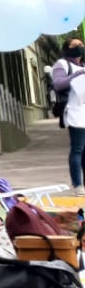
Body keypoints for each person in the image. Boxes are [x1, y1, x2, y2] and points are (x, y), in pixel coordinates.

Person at [51, 36, 85, 193]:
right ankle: (77, 185)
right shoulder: (62, 64)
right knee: (77, 148)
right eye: (75, 45)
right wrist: (76, 75)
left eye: (81, 44)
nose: (79, 47)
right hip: (74, 111)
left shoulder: (82, 65)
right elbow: (58, 84)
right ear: (67, 48)